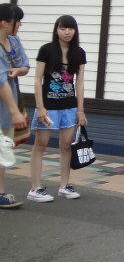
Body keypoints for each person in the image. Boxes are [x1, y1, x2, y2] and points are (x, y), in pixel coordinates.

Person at [28, 15, 87, 202]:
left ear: (75, 31)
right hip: (49, 106)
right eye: (63, 28)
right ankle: (35, 188)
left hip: (69, 107)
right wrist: (40, 107)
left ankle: (64, 186)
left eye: (70, 28)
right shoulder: (46, 50)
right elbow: (37, 80)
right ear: (56, 30)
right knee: (41, 145)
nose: (67, 32)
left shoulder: (79, 53)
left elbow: (80, 83)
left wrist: (80, 110)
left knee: (66, 146)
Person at [0, 4, 30, 209]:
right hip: (7, 106)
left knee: (3, 150)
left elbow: (26, 65)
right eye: (16, 21)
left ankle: (0, 192)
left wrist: (18, 71)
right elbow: (0, 80)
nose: (19, 24)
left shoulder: (14, 41)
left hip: (7, 108)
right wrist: (14, 111)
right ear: (4, 22)